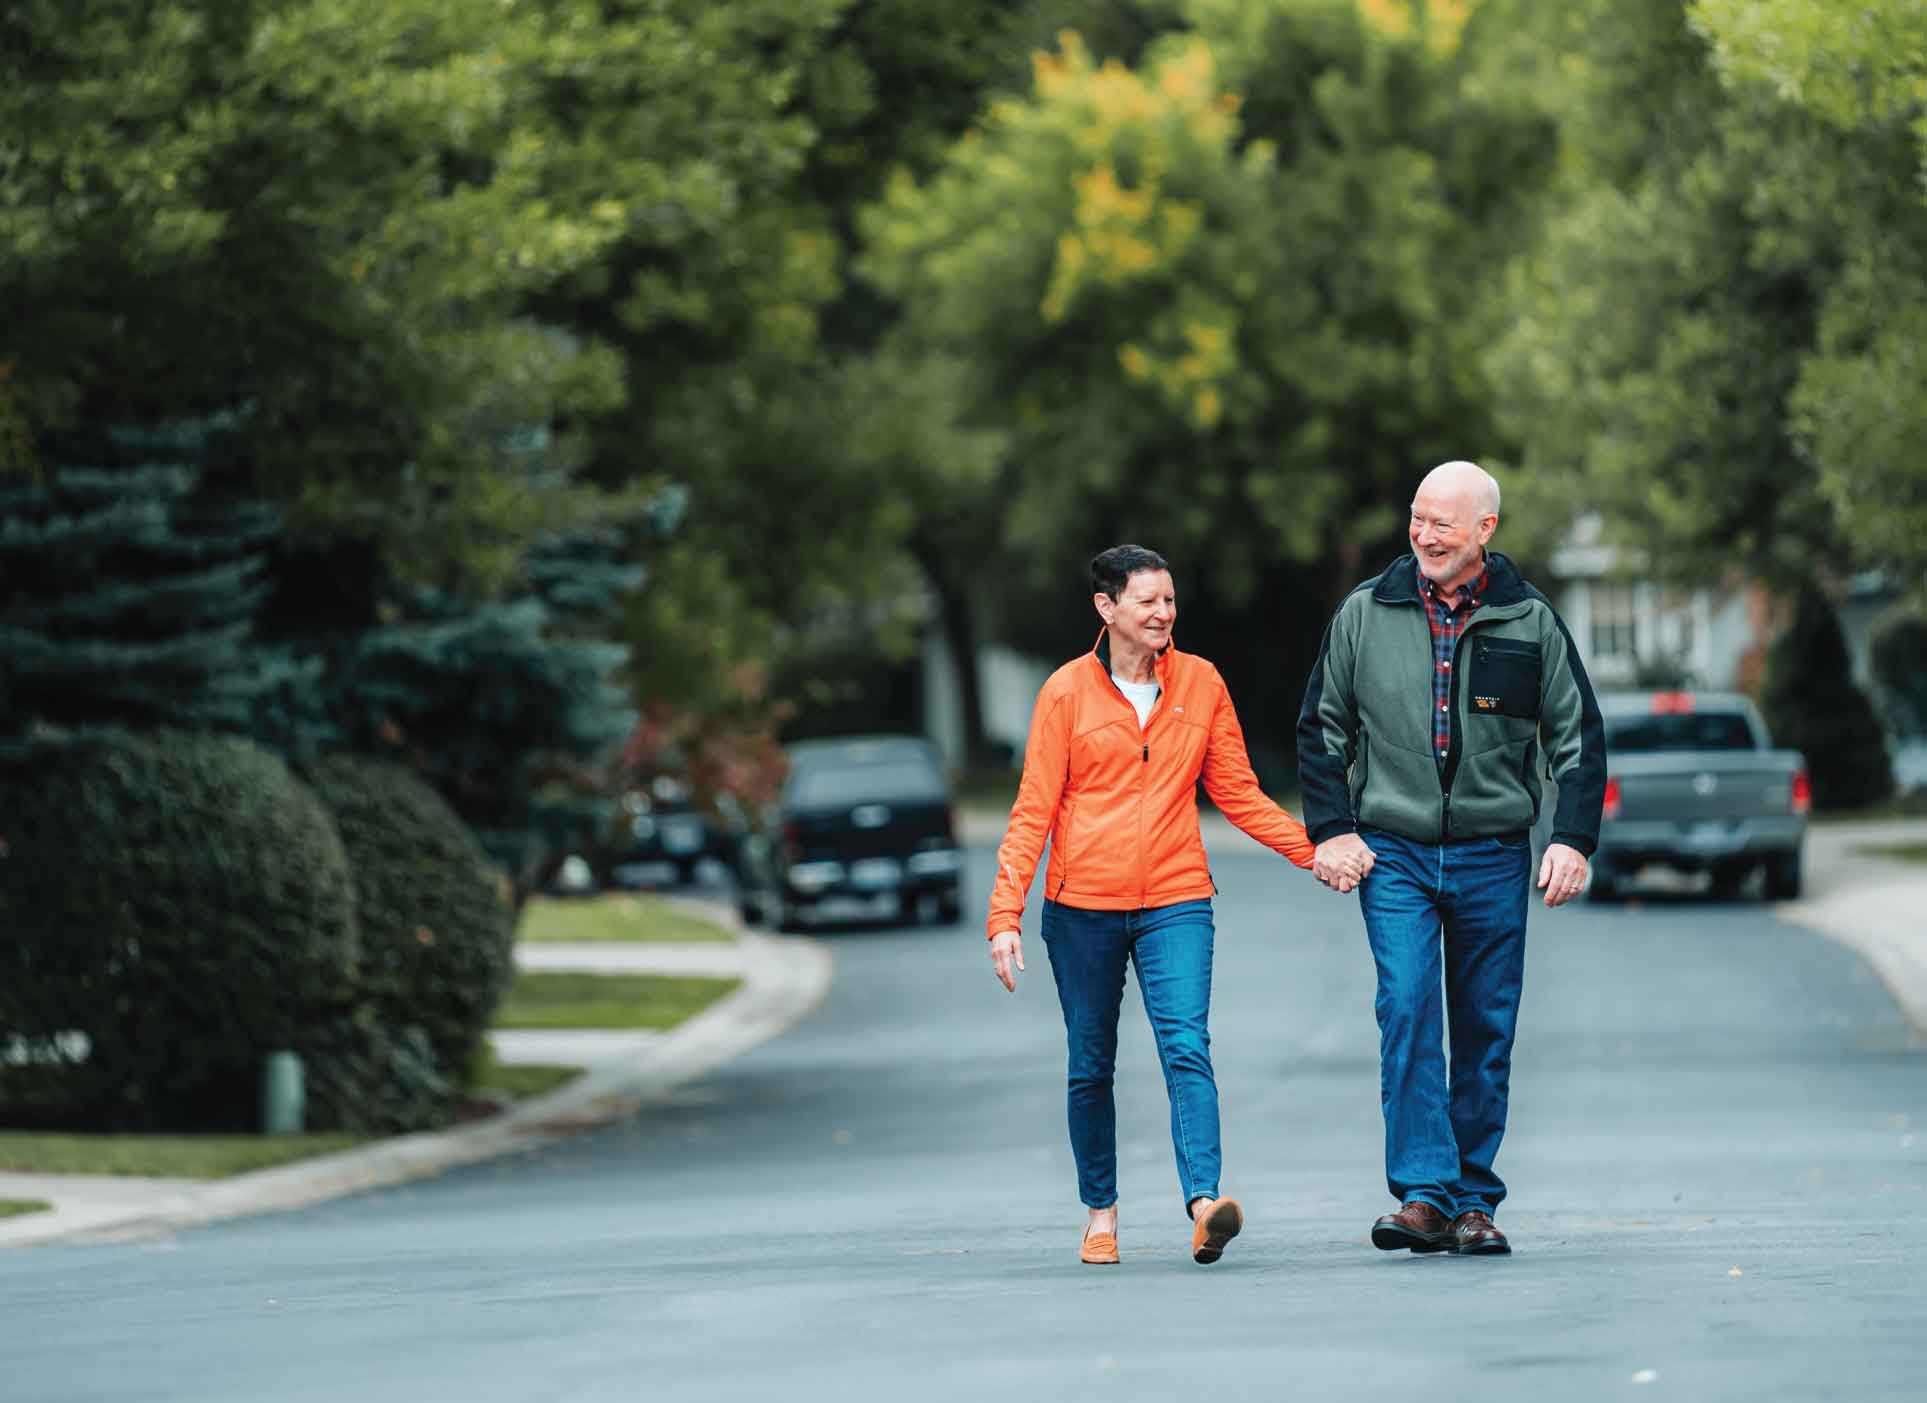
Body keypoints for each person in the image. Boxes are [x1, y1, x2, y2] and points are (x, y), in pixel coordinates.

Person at [987, 544, 1333, 1266]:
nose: (1162, 613)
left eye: (1168, 599)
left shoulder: (1200, 683)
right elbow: (1031, 811)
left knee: (1186, 1046)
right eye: (1146, 600)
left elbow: (1236, 793)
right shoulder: (1064, 693)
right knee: (1090, 1063)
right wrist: (1004, 916)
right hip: (1080, 906)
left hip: (1176, 896)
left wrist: (1313, 851)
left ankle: (1204, 1204)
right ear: (1105, 607)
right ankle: (1100, 1213)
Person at [1296, 461, 1606, 1257]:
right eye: (1417, 517)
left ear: (1483, 531)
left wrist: (1570, 839)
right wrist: (1331, 827)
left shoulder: (1528, 620)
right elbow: (1320, 728)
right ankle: (1423, 1195)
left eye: (1443, 521)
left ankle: (1472, 1197)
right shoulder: (1365, 612)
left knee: (1483, 1027)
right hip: (1392, 850)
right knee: (1404, 1008)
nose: (1424, 534)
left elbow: (1577, 739)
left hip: (1491, 853)